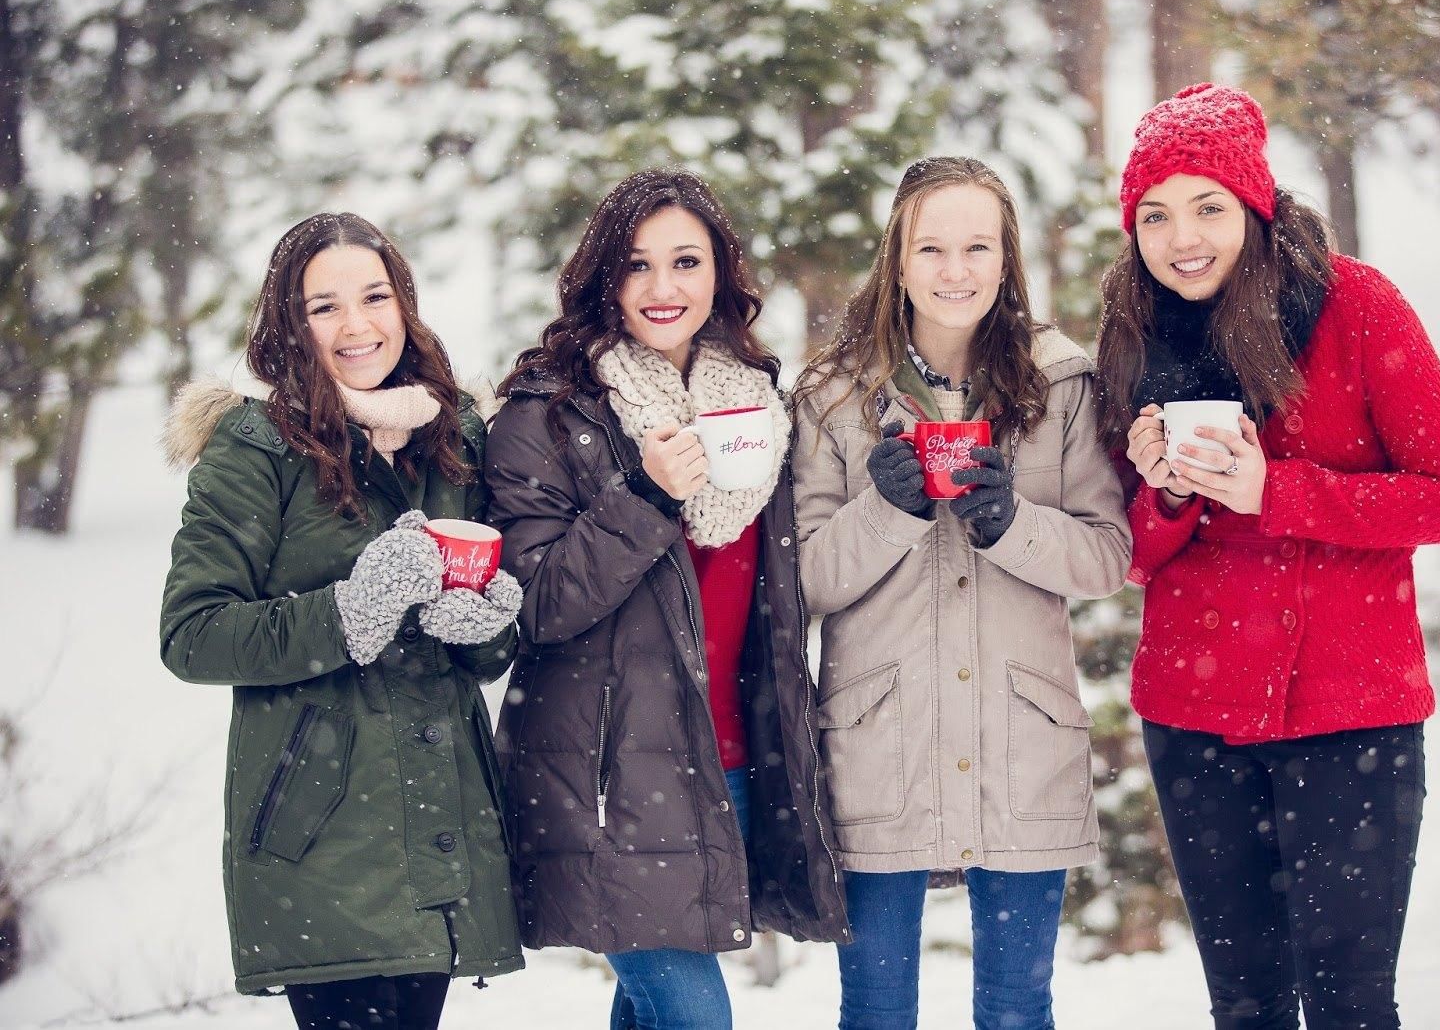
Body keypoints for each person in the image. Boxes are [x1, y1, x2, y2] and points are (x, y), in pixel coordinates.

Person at [1096, 83, 1440, 1030]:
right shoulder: (1134, 333)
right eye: (1155, 214)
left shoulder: (1357, 305)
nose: (1181, 237)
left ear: (1254, 206)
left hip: (1351, 715)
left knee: (1350, 1005)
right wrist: (1169, 491)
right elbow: (1132, 550)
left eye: (1207, 206)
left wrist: (1278, 491)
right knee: (1247, 1005)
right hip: (1196, 719)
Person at [485, 168, 849, 1030]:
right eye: (637, 265)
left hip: (731, 759)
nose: (662, 288)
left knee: (652, 1009)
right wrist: (644, 498)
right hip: (609, 777)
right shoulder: (544, 416)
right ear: (602, 280)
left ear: (720, 273)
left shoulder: (758, 408)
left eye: (685, 262)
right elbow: (532, 606)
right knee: (694, 1014)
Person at [159, 213, 525, 1029]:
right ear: (289, 325)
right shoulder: (256, 445)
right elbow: (192, 632)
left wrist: (488, 622)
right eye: (324, 306)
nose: (356, 324)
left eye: (374, 296)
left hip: (440, 832)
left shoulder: (452, 434)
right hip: (321, 833)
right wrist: (352, 608)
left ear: (406, 305)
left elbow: (486, 646)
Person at [791, 155, 1133, 1029]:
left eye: (977, 246)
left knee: (1018, 1010)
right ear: (897, 262)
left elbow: (1105, 559)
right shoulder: (832, 396)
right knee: (875, 1009)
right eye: (931, 247)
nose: (955, 270)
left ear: (1006, 260)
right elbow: (803, 584)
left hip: (1023, 737)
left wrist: (1009, 523)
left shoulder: (1061, 385)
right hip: (878, 742)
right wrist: (887, 510)